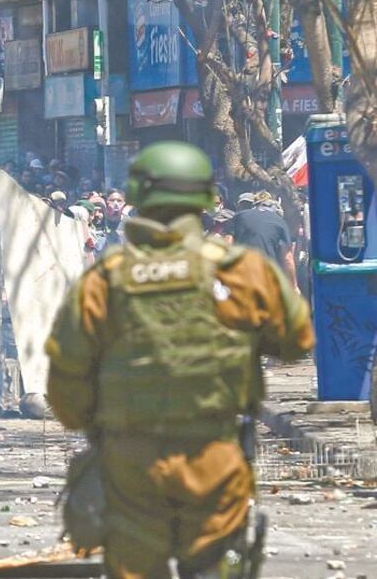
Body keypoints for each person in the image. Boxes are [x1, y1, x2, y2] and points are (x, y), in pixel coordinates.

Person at [45, 141, 314, 579]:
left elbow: (65, 389)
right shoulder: (241, 272)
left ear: (139, 198)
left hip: (130, 466)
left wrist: (102, 421)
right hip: (215, 460)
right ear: (207, 201)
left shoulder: (104, 280)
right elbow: (297, 341)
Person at [231, 190, 299, 292]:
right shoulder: (279, 222)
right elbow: (288, 259)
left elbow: (227, 242)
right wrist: (294, 286)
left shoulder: (239, 216)